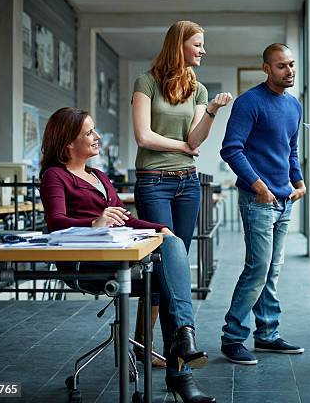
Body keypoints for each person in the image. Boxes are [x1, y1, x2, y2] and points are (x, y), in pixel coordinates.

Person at [39, 107, 215, 403]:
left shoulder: (99, 175)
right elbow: (56, 222)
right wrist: (93, 222)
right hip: (87, 263)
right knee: (170, 279)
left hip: (120, 255)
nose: (96, 137)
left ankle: (183, 345)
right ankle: (181, 368)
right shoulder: (55, 176)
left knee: (171, 249)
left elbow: (126, 220)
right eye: (89, 132)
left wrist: (160, 227)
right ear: (68, 142)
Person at [219, 43, 306, 365]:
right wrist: (259, 186)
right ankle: (232, 337)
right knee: (258, 268)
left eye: (292, 65)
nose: (289, 71)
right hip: (259, 200)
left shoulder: (294, 106)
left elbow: (290, 151)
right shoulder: (249, 103)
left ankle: (267, 334)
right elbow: (231, 149)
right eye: (282, 66)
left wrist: (299, 181)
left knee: (271, 270)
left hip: (285, 199)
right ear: (266, 68)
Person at [132, 20, 232, 253]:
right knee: (163, 254)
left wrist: (212, 110)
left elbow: (194, 141)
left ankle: (174, 292)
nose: (203, 51)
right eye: (197, 45)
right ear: (179, 45)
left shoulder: (199, 90)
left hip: (188, 182)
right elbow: (143, 137)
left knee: (179, 256)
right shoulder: (146, 82)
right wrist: (183, 148)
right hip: (153, 181)